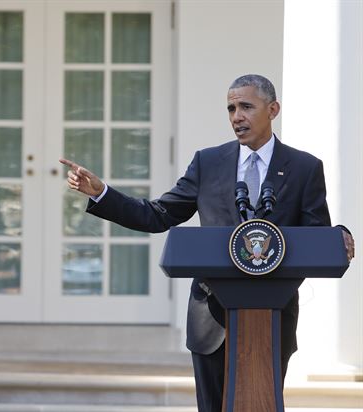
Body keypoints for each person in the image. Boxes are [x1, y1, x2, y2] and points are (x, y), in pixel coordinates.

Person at [60, 74, 355, 412]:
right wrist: (102, 194)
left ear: (273, 109)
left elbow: (315, 234)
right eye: (231, 108)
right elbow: (158, 215)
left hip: (273, 318)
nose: (236, 116)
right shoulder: (208, 162)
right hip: (211, 318)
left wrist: (338, 235)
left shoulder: (304, 167)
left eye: (246, 106)